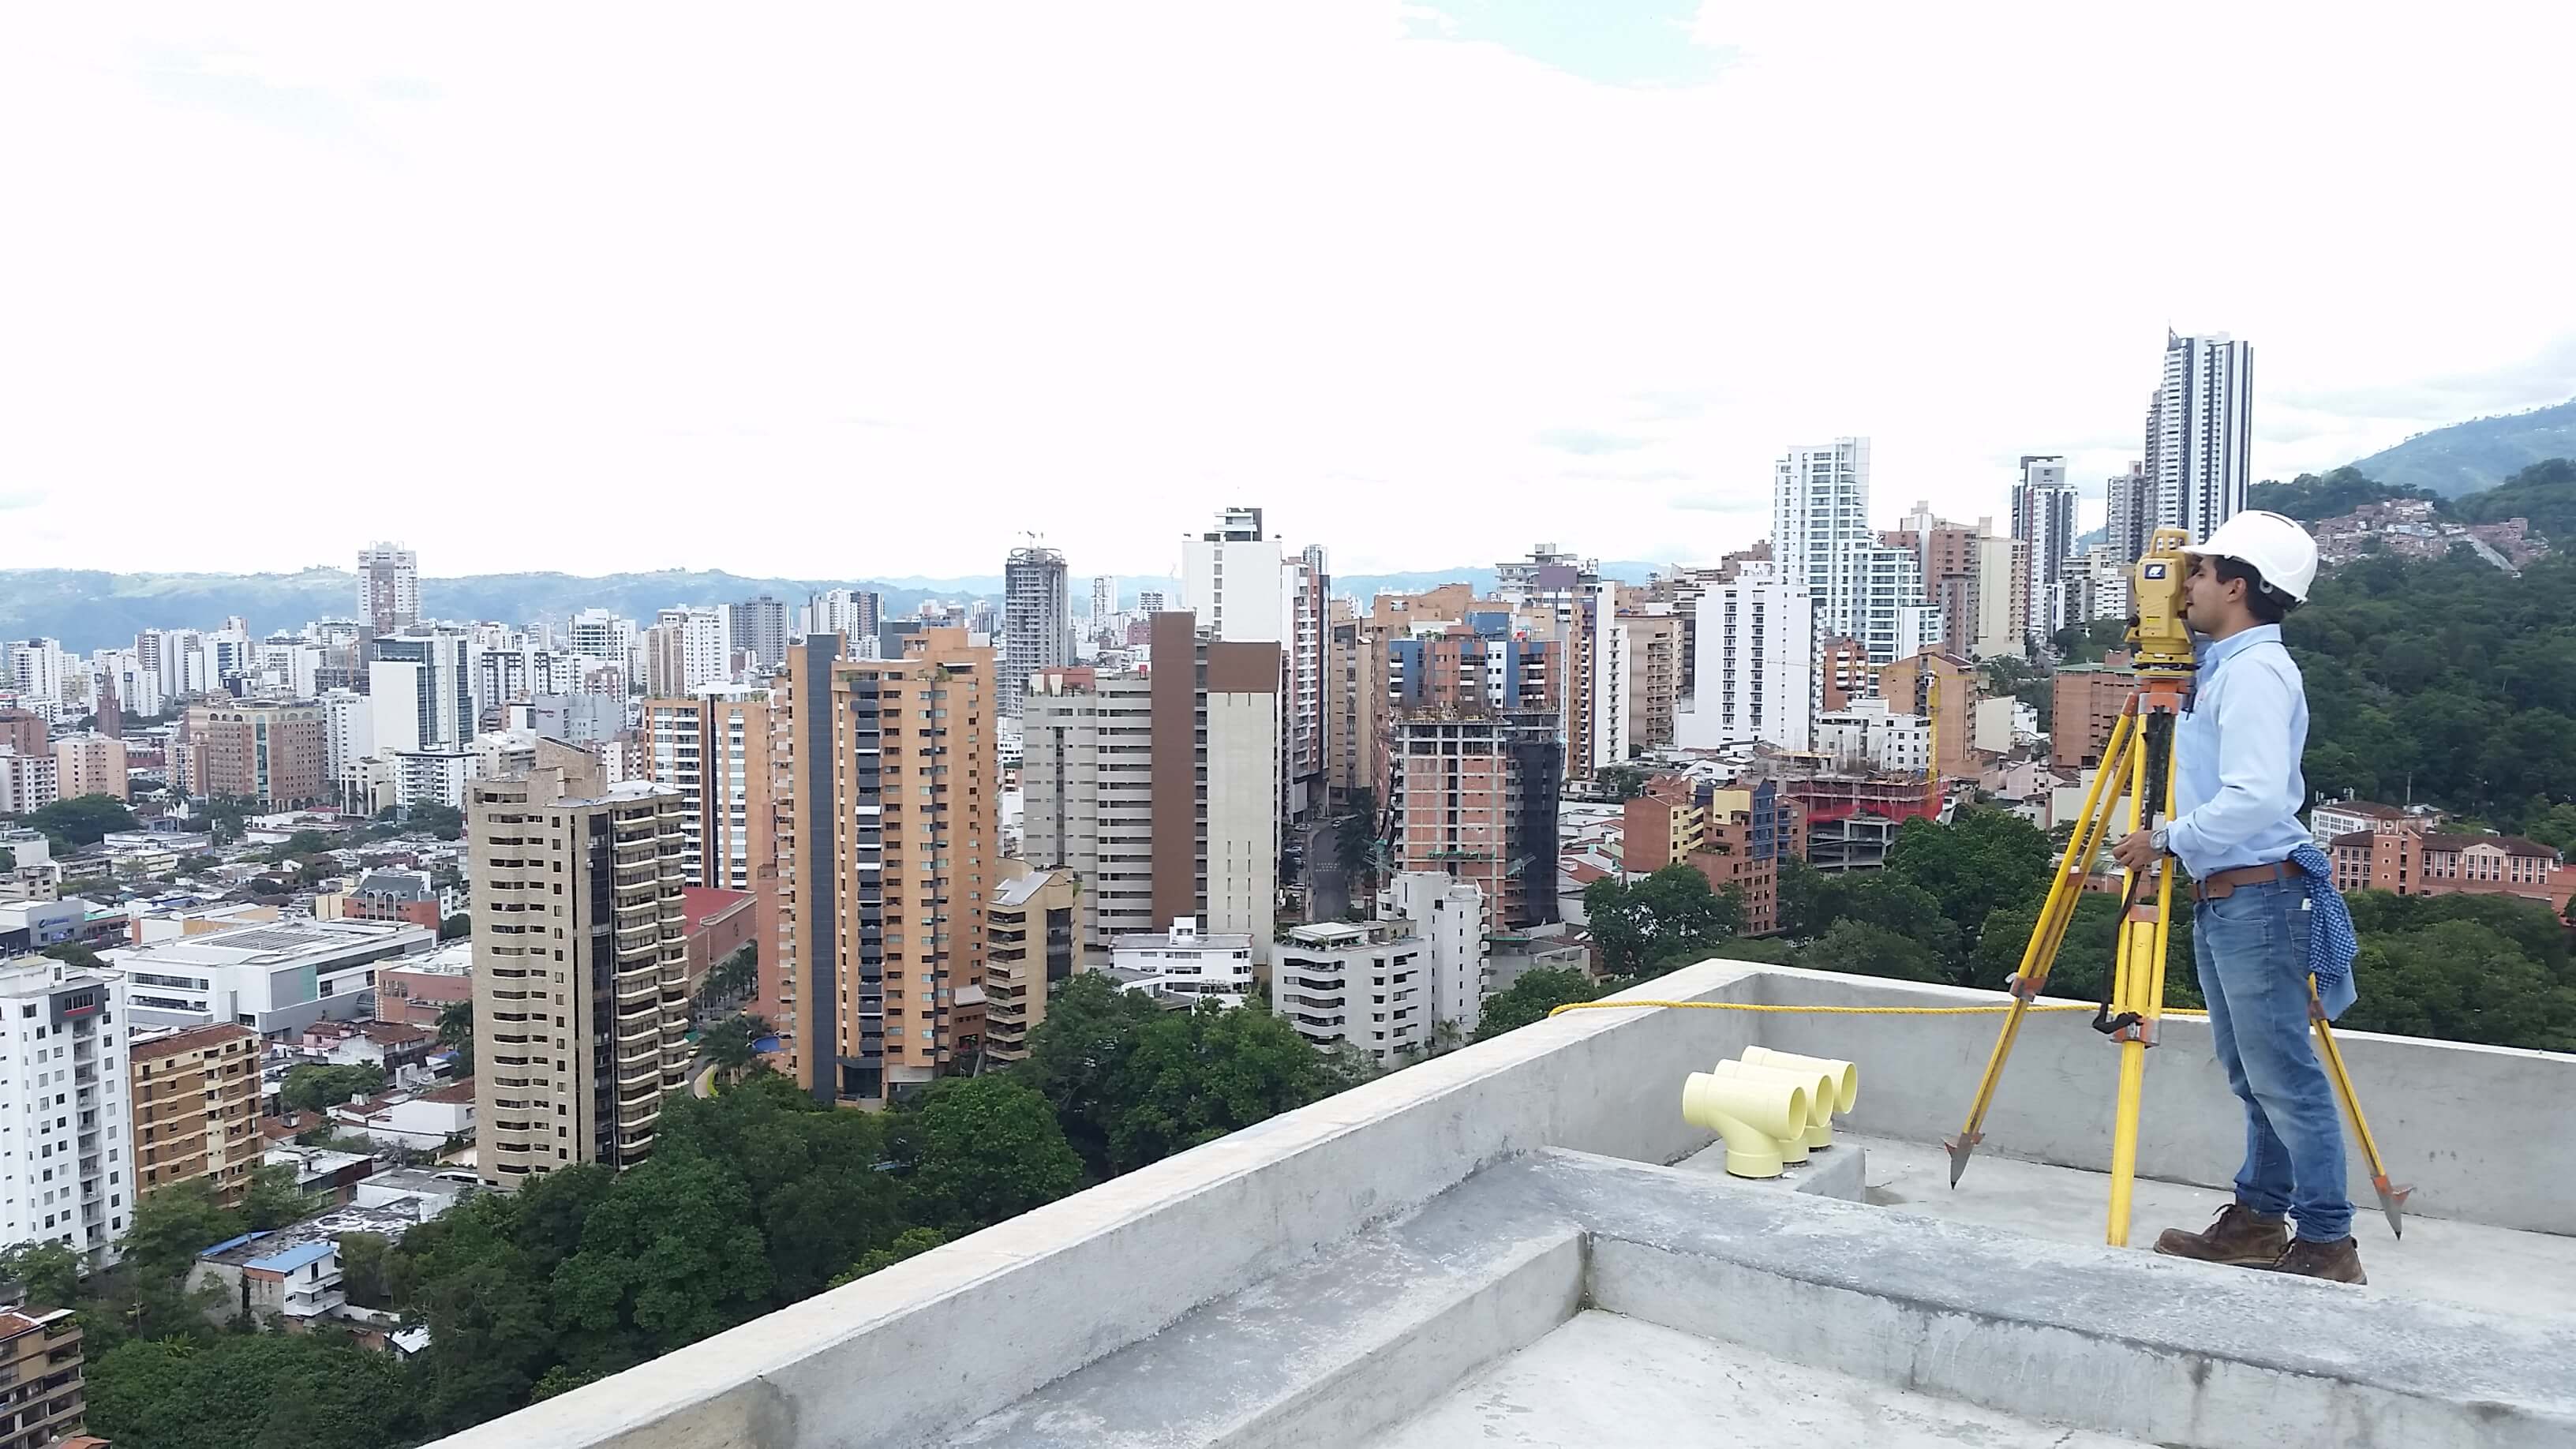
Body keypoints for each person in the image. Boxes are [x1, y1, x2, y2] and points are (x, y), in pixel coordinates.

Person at [2108, 510, 2364, 1284]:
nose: (2186, 583)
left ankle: (2326, 1243)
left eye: (2203, 570)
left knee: (2285, 1076)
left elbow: (2255, 799)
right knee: (2255, 1075)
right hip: (2231, 899)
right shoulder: (2228, 664)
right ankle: (2257, 1218)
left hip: (2257, 900)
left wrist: (2164, 839)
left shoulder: (2254, 673)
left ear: (2239, 586)